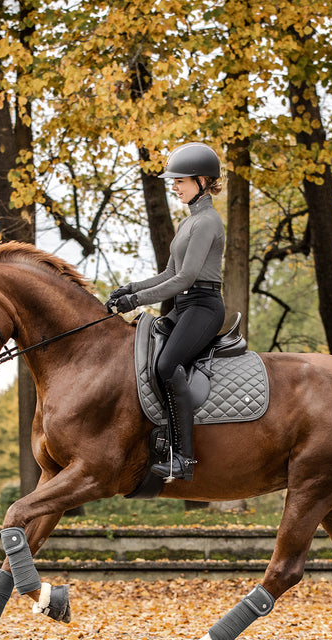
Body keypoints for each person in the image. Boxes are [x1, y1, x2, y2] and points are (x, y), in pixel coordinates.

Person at [106, 142, 225, 482]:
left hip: (203, 307)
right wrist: (130, 288)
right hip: (184, 306)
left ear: (202, 180)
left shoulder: (207, 222)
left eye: (180, 181)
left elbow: (187, 278)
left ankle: (183, 459)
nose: (174, 186)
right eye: (173, 181)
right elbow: (168, 274)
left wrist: (137, 301)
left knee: (167, 364)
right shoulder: (188, 223)